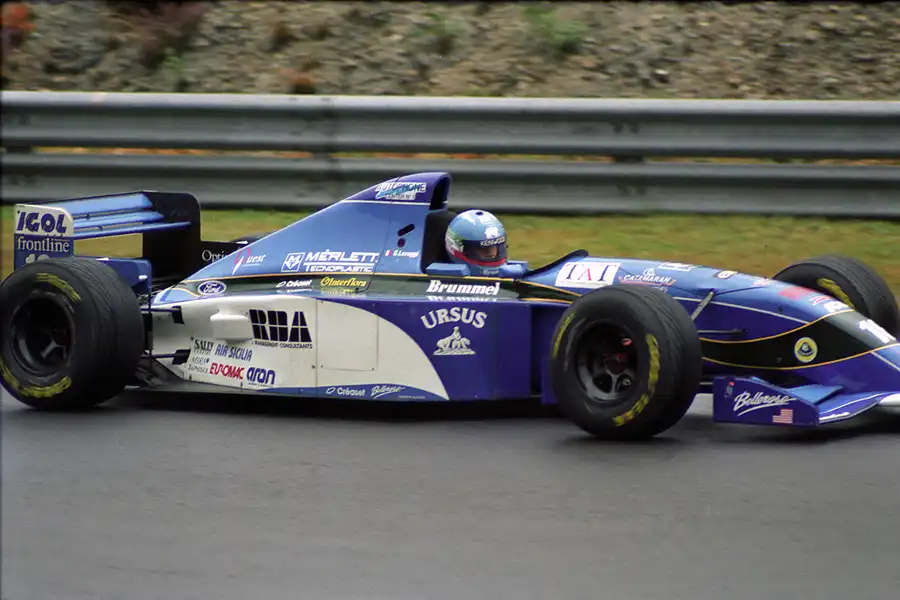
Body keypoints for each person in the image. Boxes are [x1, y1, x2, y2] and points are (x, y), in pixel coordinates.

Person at [444, 209, 508, 275]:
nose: (491, 253)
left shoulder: (512, 277)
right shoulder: (438, 281)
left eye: (493, 247)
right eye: (483, 249)